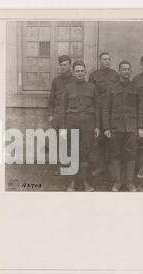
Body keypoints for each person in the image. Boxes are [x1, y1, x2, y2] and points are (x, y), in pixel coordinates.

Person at [102, 61, 143, 192]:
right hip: (116, 127)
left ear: (130, 71)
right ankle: (117, 182)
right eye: (124, 69)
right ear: (119, 71)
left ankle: (130, 182)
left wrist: (141, 127)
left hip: (131, 127)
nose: (126, 71)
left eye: (128, 69)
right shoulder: (111, 88)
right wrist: (106, 128)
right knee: (115, 154)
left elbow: (141, 109)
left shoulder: (135, 88)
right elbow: (105, 109)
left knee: (131, 154)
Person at [61, 60, 100, 192]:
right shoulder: (68, 88)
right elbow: (62, 109)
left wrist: (97, 126)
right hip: (72, 124)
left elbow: (97, 108)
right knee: (72, 153)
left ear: (85, 72)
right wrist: (63, 128)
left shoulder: (92, 87)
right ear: (73, 72)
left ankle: (84, 182)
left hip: (88, 125)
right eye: (77, 71)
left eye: (82, 71)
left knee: (84, 154)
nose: (80, 73)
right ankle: (72, 183)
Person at [88, 52, 119, 177]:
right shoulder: (94, 76)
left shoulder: (115, 75)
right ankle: (100, 166)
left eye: (109, 59)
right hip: (99, 111)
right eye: (104, 59)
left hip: (112, 111)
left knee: (112, 139)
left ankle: (111, 166)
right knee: (99, 140)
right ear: (100, 61)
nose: (107, 61)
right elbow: (90, 94)